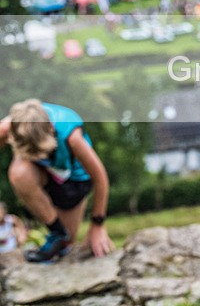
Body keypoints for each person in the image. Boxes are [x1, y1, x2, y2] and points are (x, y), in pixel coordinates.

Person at [0, 99, 114, 263]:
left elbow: (100, 178)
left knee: (66, 246)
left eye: (39, 151)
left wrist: (97, 225)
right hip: (43, 172)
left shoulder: (71, 135)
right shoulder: (9, 127)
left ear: (51, 129)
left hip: (74, 181)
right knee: (19, 173)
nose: (38, 156)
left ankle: (62, 238)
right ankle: (57, 233)